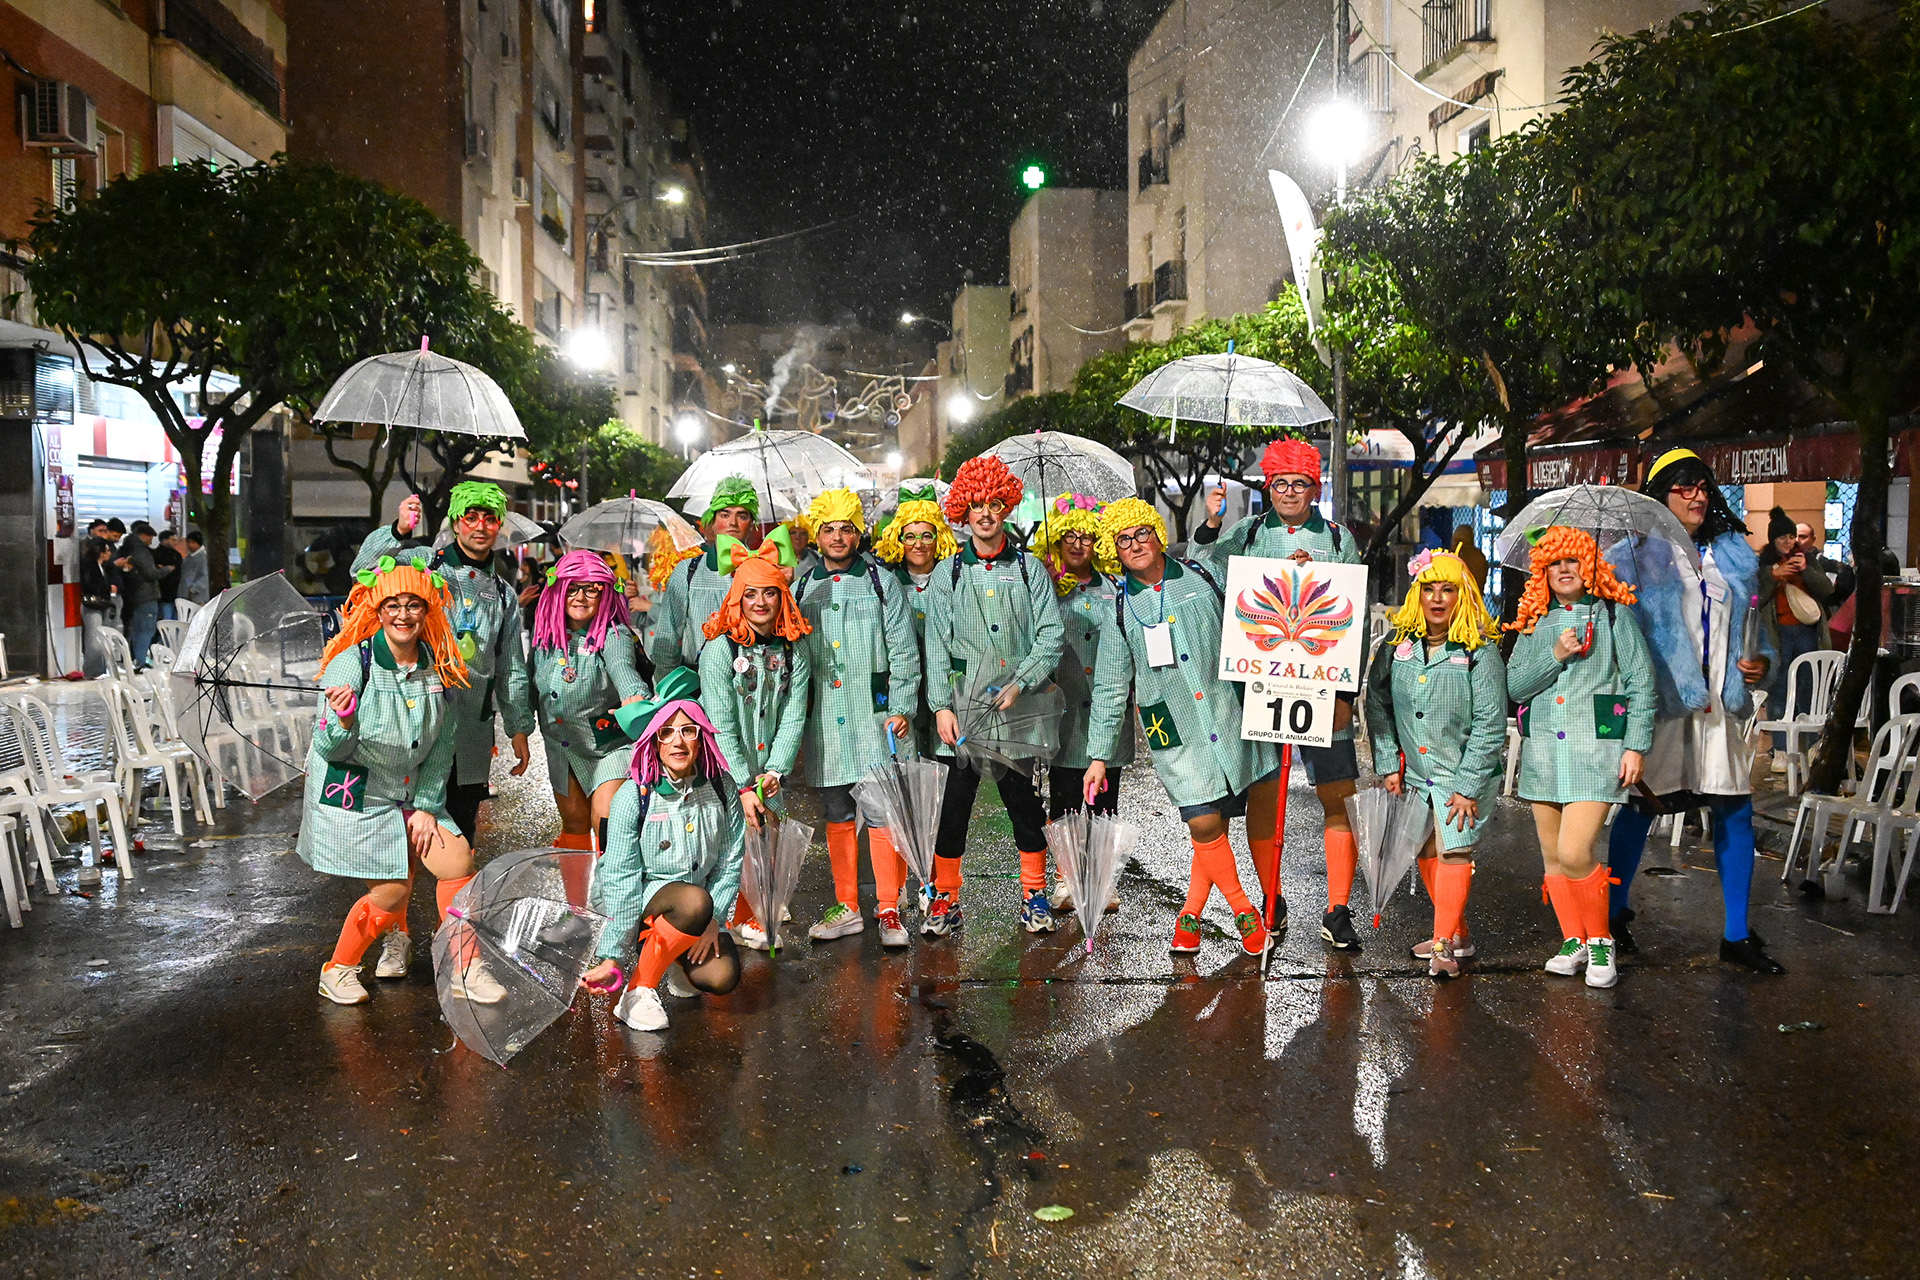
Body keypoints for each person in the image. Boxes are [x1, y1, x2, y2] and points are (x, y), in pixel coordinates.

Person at [1605, 448, 1783, 973]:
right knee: (1641, 806)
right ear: (1661, 496)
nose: (1697, 495)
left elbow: (1755, 629)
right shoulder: (1632, 558)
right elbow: (1620, 639)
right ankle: (1610, 915)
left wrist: (1760, 661)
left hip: (1719, 708)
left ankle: (1736, 935)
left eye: (1703, 485)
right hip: (1661, 705)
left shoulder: (1733, 556)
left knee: (1735, 807)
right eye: (1684, 486)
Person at [300, 552, 498, 1006]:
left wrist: (426, 806)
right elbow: (329, 750)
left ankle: (465, 968)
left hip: (408, 789)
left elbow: (442, 744)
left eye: (413, 605)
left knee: (457, 861)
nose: (403, 615)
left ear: (427, 610)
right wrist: (342, 720)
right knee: (392, 890)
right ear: (378, 610)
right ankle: (338, 970)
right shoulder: (352, 664)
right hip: (359, 792)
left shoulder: (440, 664)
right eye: (393, 605)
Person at [1193, 437, 1364, 950]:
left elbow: (1354, 622)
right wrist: (1211, 523)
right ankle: (1273, 898)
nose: (1289, 491)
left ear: (1315, 489)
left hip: (1323, 682)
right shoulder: (1245, 533)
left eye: (1300, 483)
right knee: (1265, 794)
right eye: (1280, 483)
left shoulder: (1339, 538)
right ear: (1268, 487)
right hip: (1260, 685)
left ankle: (1338, 908)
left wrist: (1346, 696)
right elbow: (1199, 570)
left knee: (1338, 793)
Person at [1083, 498, 1271, 957]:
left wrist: (1295, 570)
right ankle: (1244, 913)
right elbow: (1110, 685)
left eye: (1141, 533)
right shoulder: (1120, 609)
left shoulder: (1203, 576)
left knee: (1214, 827)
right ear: (1114, 551)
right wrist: (1099, 756)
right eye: (1123, 540)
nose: (1135, 545)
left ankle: (1188, 917)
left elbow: (1258, 596)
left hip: (1228, 716)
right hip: (1174, 731)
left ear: (1157, 534)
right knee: (1203, 821)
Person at [1505, 528, 1655, 988]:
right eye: (1555, 562)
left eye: (1573, 560)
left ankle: (1601, 940)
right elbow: (1516, 687)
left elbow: (1641, 683)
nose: (1565, 569)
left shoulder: (1612, 615)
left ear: (1590, 567)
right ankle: (1574, 940)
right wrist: (1554, 654)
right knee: (1553, 856)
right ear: (1543, 571)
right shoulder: (1535, 622)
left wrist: (1635, 745)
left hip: (1595, 753)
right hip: (1544, 754)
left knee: (1575, 852)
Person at [353, 484, 533, 862]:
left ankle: (454, 901)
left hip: (470, 733)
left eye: (490, 518)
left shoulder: (503, 593)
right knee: (399, 838)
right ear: (455, 522)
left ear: (499, 526)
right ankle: (395, 897)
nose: (480, 526)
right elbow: (362, 571)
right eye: (471, 517)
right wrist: (399, 530)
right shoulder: (424, 563)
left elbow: (511, 666)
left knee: (460, 835)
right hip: (414, 724)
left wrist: (519, 728)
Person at [923, 455, 1065, 936]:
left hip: (1017, 713)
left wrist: (1021, 681)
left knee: (1024, 805)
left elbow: (1051, 635)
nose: (985, 513)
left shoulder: (1030, 570)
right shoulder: (947, 574)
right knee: (953, 809)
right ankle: (946, 899)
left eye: (994, 504)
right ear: (963, 511)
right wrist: (941, 705)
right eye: (976, 504)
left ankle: (1034, 895)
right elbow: (935, 643)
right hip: (961, 712)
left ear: (1006, 507)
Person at [1363, 549, 1508, 980]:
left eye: (1448, 590)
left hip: (1463, 775)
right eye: (1429, 589)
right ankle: (1457, 931)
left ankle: (1443, 943)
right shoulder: (1398, 647)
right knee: (1427, 850)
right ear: (1417, 595)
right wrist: (1389, 763)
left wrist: (1466, 787)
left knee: (1454, 850)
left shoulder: (1480, 652)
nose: (1438, 598)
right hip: (1417, 775)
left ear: (1463, 596)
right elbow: (1377, 703)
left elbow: (1490, 723)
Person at [792, 488, 921, 948]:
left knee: (883, 810)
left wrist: (901, 706)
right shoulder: (800, 588)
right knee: (837, 811)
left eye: (846, 528)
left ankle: (889, 908)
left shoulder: (882, 583)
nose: (837, 537)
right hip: (826, 721)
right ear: (817, 536)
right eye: (828, 529)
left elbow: (904, 651)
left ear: (858, 533)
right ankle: (847, 906)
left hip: (875, 718)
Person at [582, 697, 746, 1032]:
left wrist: (714, 920)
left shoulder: (722, 787)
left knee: (722, 976)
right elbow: (620, 878)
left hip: (699, 905)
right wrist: (613, 955)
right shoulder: (633, 796)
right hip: (641, 898)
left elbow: (730, 861)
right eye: (666, 732)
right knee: (693, 900)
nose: (678, 741)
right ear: (654, 741)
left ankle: (673, 958)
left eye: (688, 731)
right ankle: (637, 991)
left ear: (701, 737)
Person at [694, 527, 810, 950]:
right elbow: (720, 723)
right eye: (751, 594)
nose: (760, 603)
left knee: (769, 834)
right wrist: (744, 784)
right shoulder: (719, 650)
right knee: (734, 838)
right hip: (727, 766)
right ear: (737, 599)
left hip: (767, 766)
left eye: (770, 593)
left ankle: (756, 908)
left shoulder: (794, 648)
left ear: (782, 597)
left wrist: (776, 769)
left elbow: (794, 713)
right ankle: (738, 916)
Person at [1029, 493, 1130, 914]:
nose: (1076, 544)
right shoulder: (1044, 589)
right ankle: (1067, 878)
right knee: (1065, 798)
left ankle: (1103, 879)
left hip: (1107, 711)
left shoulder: (1116, 588)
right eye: (1067, 536)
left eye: (1086, 537)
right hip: (1064, 711)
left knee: (1105, 800)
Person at [527, 550, 653, 865]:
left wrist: (634, 696)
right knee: (574, 826)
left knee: (607, 818)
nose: (580, 597)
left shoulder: (614, 634)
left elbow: (623, 668)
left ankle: (614, 891)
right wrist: (519, 729)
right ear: (558, 590)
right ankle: (576, 897)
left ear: (604, 593)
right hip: (563, 747)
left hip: (610, 748)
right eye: (572, 588)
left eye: (591, 589)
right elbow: (528, 684)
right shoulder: (545, 636)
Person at [872, 487, 958, 757]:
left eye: (926, 535)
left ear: (939, 538)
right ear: (899, 540)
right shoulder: (885, 583)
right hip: (902, 690)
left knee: (948, 763)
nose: (918, 544)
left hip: (949, 691)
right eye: (910, 536)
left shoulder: (955, 580)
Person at [646, 475, 762, 676]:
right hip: (697, 683)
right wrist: (669, 686)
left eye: (742, 516)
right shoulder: (688, 571)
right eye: (725, 514)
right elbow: (667, 636)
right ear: (712, 522)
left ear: (751, 524)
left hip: (750, 683)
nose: (733, 523)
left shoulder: (764, 571)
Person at [1757, 506, 1835, 764]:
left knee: (1809, 687)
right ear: (1773, 540)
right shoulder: (1763, 564)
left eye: (1792, 537)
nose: (1789, 542)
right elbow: (1755, 599)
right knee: (1779, 689)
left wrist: (1805, 571)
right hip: (1777, 634)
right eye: (1783, 537)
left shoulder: (1808, 560)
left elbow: (1827, 591)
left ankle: (1812, 746)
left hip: (1807, 633)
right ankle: (1781, 750)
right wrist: (1773, 576)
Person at [118, 521, 166, 666]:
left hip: (131, 596)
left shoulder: (126, 548)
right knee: (145, 629)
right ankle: (140, 661)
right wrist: (166, 570)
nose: (151, 542)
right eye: (150, 538)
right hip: (145, 596)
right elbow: (151, 573)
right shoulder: (140, 551)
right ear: (143, 535)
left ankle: (133, 660)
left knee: (136, 629)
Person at [77, 537, 115, 678]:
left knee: (101, 638)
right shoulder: (89, 567)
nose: (109, 553)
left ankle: (101, 668)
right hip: (92, 605)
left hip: (102, 604)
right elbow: (90, 585)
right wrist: (108, 588)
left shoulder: (102, 567)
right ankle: (93, 671)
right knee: (93, 639)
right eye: (107, 550)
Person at [152, 529, 184, 623]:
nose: (175, 542)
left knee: (176, 620)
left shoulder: (176, 555)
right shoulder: (157, 555)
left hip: (176, 592)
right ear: (165, 540)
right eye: (172, 539)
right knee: (166, 619)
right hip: (164, 593)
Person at [178, 531, 210, 607]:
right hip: (187, 596)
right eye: (188, 542)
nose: (190, 545)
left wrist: (193, 589)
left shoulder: (203, 557)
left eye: (193, 542)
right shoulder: (189, 557)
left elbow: (205, 576)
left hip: (198, 597)